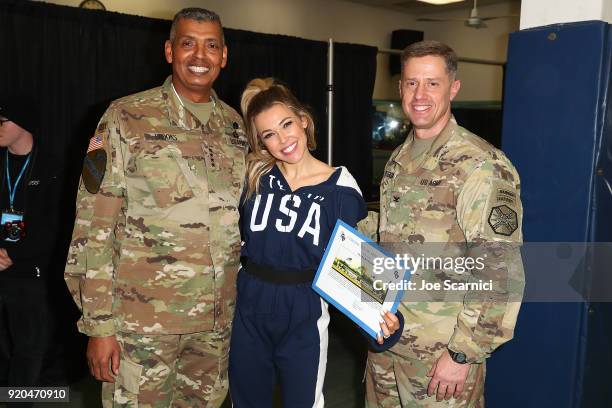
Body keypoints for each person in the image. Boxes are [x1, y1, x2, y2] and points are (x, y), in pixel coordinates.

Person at [64, 8, 247, 407]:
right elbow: (93, 224)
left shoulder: (235, 128)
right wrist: (99, 325)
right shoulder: (125, 116)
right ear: (169, 51)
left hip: (214, 329)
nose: (200, 55)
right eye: (188, 43)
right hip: (141, 328)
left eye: (211, 45)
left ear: (224, 55)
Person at [364, 40, 525, 407]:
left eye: (432, 83)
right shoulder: (401, 157)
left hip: (439, 359)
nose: (420, 94)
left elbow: (501, 271)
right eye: (411, 83)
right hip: (386, 342)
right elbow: (391, 234)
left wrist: (462, 354)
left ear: (453, 87)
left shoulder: (481, 165)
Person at [228, 78, 402, 408]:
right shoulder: (254, 176)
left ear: (303, 121)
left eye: (286, 124)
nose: (282, 140)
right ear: (261, 143)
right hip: (249, 307)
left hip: (303, 312)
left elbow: (352, 259)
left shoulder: (341, 186)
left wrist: (381, 317)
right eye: (269, 134)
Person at [0, 96, 64, 396]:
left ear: (24, 124)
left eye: (3, 122)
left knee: (28, 351)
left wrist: (15, 255)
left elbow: (55, 226)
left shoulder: (51, 165)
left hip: (30, 275)